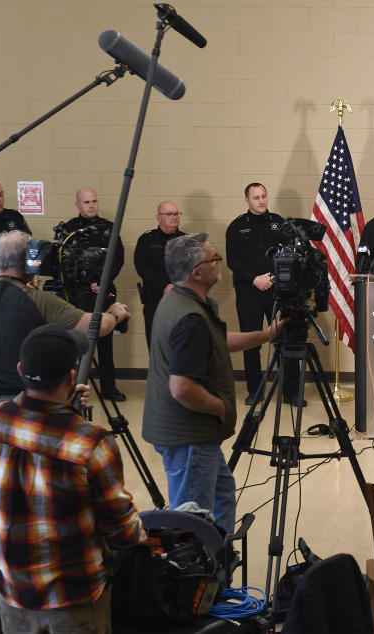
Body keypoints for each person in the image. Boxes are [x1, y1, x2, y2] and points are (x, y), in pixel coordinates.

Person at [0, 230, 129, 630]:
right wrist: (117, 313)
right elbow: (91, 327)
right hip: (19, 414)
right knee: (29, 505)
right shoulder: (35, 297)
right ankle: (26, 595)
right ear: (29, 262)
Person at [0, 324, 146, 633]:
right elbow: (122, 530)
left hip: (13, 592)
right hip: (73, 597)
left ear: (20, 370)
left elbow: (34, 433)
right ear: (72, 377)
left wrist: (62, 409)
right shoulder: (91, 443)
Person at [142, 232, 287, 534]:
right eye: (214, 259)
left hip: (192, 437)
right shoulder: (190, 317)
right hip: (189, 437)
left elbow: (218, 341)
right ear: (196, 272)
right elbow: (181, 387)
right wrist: (221, 407)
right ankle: (203, 578)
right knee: (194, 526)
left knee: (221, 498)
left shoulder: (181, 300)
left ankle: (219, 572)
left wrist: (264, 335)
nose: (219, 263)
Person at [225, 183, 300, 406]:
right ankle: (254, 391)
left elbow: (290, 254)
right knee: (251, 341)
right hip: (249, 291)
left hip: (277, 290)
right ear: (247, 200)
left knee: (284, 339)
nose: (261, 201)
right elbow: (233, 260)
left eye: (264, 196)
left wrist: (273, 279)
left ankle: (291, 392)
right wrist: (255, 279)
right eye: (256, 197)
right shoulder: (237, 227)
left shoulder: (280, 223)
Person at [64, 187, 126, 401]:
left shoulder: (109, 228)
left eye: (94, 201)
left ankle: (109, 388)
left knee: (105, 341)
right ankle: (73, 387)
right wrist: (81, 284)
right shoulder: (69, 229)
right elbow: (64, 261)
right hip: (76, 294)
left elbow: (117, 260)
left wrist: (102, 282)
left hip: (102, 292)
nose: (91, 205)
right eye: (86, 202)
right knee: (75, 342)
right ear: (77, 205)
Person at [135, 200, 186, 347]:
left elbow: (195, 268)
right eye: (169, 214)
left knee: (181, 345)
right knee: (156, 344)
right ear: (158, 217)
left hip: (182, 299)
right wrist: (164, 286)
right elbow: (142, 268)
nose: (174, 217)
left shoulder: (188, 240)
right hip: (155, 299)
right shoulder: (146, 240)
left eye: (176, 213)